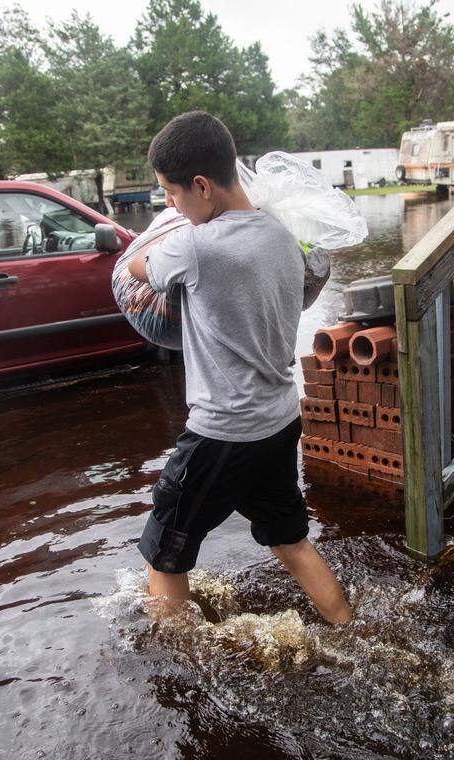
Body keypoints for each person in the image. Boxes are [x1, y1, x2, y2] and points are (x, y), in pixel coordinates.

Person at [127, 110, 352, 625]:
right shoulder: (283, 234)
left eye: (171, 193)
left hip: (222, 432)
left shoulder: (196, 247)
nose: (169, 204)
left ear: (201, 186)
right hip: (278, 419)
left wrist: (164, 233)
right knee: (290, 541)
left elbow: (139, 266)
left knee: (165, 553)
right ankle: (348, 629)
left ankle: (176, 668)